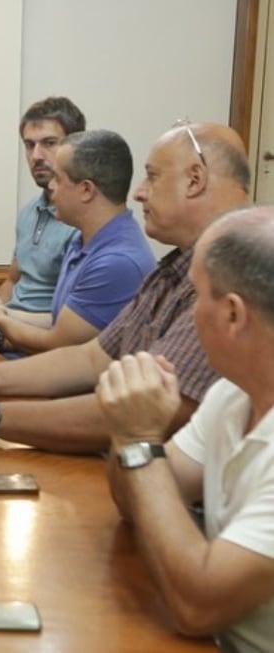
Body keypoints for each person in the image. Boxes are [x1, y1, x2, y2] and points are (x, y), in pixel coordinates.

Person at [0, 122, 250, 454]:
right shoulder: (174, 267)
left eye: (152, 177)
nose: (140, 192)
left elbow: (145, 416)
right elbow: (91, 358)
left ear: (195, 180)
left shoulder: (231, 281)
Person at [96, 207, 274, 651]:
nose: (190, 313)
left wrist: (139, 439)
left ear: (233, 315)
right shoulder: (230, 397)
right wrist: (126, 429)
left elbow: (197, 607)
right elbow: (135, 503)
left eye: (196, 296)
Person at [0, 130, 155, 354]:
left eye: (58, 179)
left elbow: (58, 346)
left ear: (86, 190)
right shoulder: (85, 240)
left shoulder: (118, 262)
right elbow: (62, 322)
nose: (50, 187)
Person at [0, 96, 85, 354]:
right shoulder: (29, 212)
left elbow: (72, 332)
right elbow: (12, 280)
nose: (36, 156)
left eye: (49, 143)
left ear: (76, 147)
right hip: (2, 334)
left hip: (34, 350)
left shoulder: (82, 220)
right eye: (29, 145)